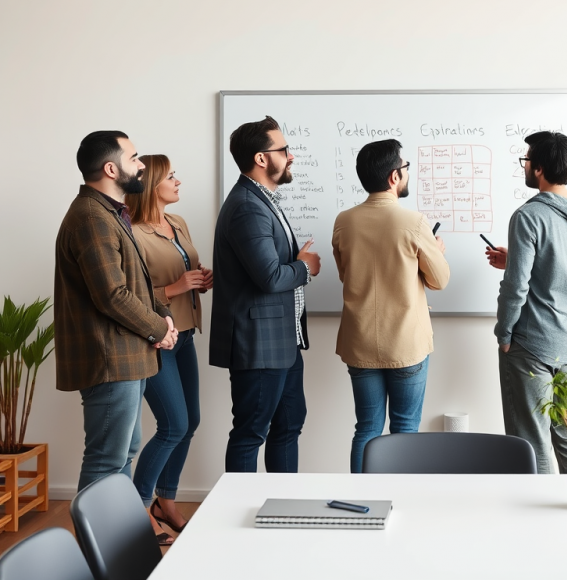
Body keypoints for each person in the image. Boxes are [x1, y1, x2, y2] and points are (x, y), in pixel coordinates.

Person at [54, 131, 177, 500]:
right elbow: (112, 295)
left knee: (123, 454)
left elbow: (134, 281)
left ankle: (116, 548)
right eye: (135, 157)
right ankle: (95, 554)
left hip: (126, 358)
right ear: (111, 168)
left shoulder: (110, 213)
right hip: (110, 360)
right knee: (107, 460)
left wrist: (163, 317)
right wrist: (159, 329)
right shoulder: (92, 217)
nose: (141, 165)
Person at [210, 117, 321, 473]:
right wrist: (304, 267)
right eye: (284, 150)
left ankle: (282, 511)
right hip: (258, 346)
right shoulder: (247, 206)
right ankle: (235, 516)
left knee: (288, 426)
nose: (291, 157)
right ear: (261, 158)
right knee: (249, 434)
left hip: (282, 343)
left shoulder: (262, 199)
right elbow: (270, 277)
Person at [487, 131, 567, 474]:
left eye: (526, 162)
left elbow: (516, 285)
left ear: (537, 169)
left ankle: (536, 521)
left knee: (530, 439)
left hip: (531, 343)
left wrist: (504, 333)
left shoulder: (529, 216)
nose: (525, 167)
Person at [332, 139, 450, 473]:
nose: (406, 173)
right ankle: (402, 500)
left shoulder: (344, 221)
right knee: (405, 429)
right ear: (393, 177)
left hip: (359, 341)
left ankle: (361, 500)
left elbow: (346, 275)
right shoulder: (414, 222)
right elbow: (439, 280)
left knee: (367, 429)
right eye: (405, 167)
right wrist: (435, 251)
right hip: (406, 343)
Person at [126, 156, 212, 542]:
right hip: (155, 338)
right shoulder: (131, 233)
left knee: (190, 422)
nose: (178, 181)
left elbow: (183, 269)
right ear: (152, 185)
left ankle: (166, 501)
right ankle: (138, 508)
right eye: (171, 176)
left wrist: (199, 281)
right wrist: (177, 288)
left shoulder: (177, 223)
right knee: (173, 424)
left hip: (186, 331)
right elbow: (129, 297)